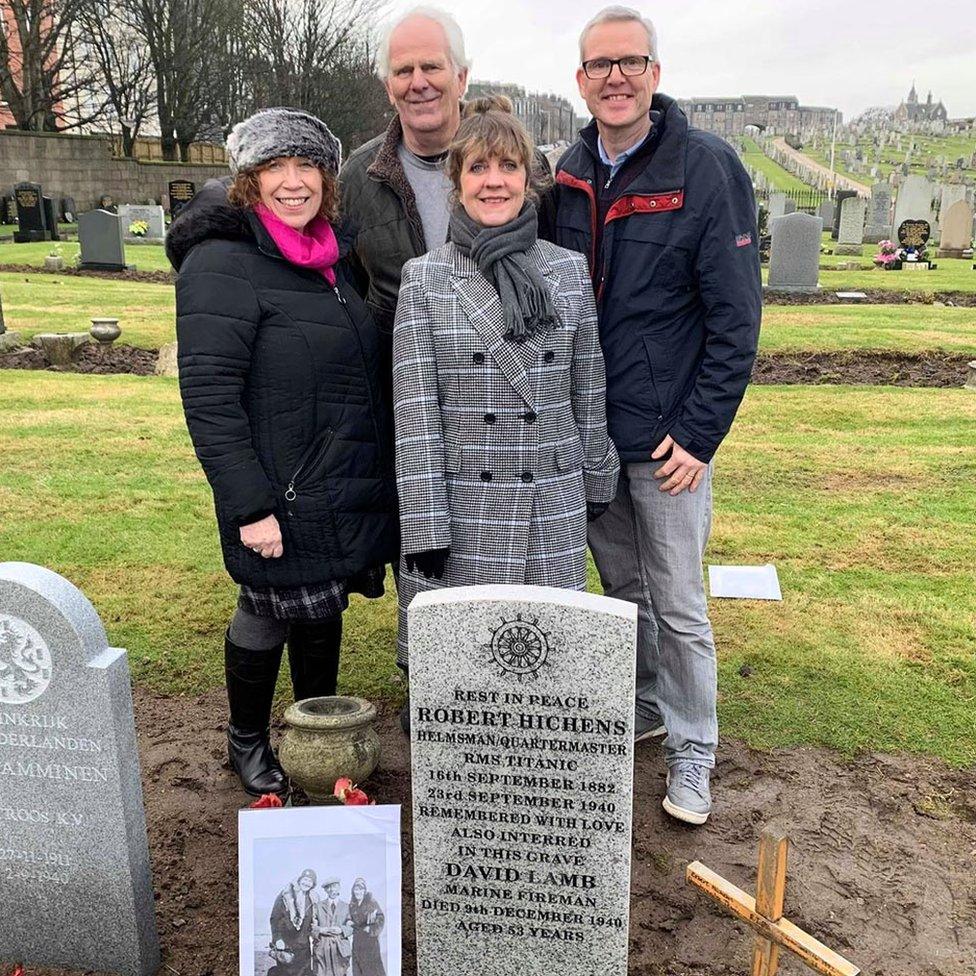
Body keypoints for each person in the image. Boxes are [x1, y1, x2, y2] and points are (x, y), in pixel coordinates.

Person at [553, 6, 761, 825]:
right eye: (600, 65)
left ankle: (693, 751)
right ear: (581, 80)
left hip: (670, 439)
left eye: (630, 62)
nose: (615, 77)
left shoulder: (706, 168)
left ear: (655, 74)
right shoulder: (567, 172)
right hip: (594, 434)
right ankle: (646, 707)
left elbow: (736, 318)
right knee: (625, 589)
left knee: (679, 605)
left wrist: (702, 433)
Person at [167, 108, 398, 796]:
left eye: (307, 168)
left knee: (323, 606)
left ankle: (315, 731)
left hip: (332, 480)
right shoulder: (221, 263)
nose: (293, 183)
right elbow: (209, 395)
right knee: (267, 609)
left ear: (328, 180)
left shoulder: (326, 257)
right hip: (278, 488)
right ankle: (244, 739)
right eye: (275, 168)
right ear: (248, 179)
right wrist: (250, 506)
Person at [393, 98, 620, 666]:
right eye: (478, 168)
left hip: (551, 499)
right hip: (466, 506)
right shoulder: (425, 279)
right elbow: (416, 413)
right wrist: (424, 524)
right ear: (456, 182)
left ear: (528, 179)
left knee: (547, 661)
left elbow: (588, 390)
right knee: (471, 663)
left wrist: (595, 479)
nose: (494, 182)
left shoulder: (565, 270)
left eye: (508, 166)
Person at [268, 868, 317, 975]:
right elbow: (274, 919)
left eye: (310, 881)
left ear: (313, 884)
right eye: (305, 879)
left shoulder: (313, 899)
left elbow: (314, 922)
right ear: (300, 880)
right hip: (286, 945)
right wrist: (278, 939)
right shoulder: (285, 895)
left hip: (304, 947)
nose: (306, 883)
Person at [311, 877, 351, 976]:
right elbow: (311, 927)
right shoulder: (318, 906)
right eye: (328, 887)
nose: (332, 889)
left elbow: (352, 926)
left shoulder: (347, 907)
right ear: (325, 890)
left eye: (334, 886)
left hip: (340, 948)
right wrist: (320, 930)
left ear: (339, 887)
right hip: (322, 947)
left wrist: (341, 929)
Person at [347, 878, 385, 976]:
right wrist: (348, 921)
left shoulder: (371, 902)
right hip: (357, 941)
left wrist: (372, 929)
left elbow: (380, 918)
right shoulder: (352, 905)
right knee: (358, 968)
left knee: (371, 969)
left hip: (370, 942)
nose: (358, 892)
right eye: (356, 889)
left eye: (360, 889)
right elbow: (348, 918)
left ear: (364, 891)